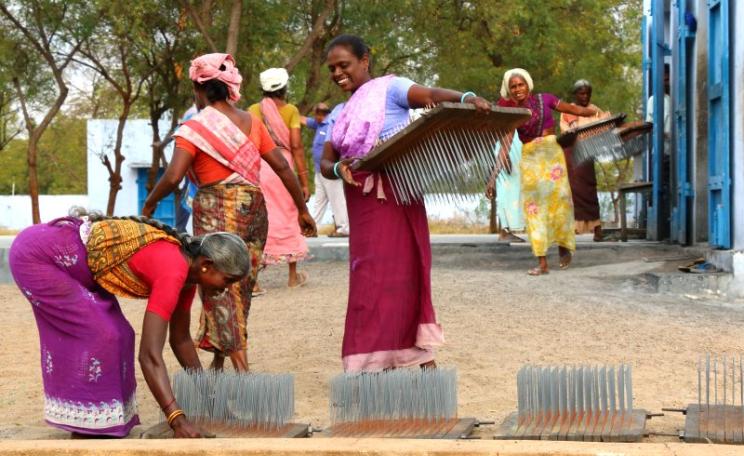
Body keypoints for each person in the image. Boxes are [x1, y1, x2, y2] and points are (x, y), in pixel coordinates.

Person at [320, 34, 492, 372]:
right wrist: (339, 168)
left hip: (399, 193)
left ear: (365, 60)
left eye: (345, 65)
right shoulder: (340, 113)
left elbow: (429, 96)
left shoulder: (391, 88)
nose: (338, 73)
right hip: (363, 201)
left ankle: (422, 358)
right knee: (369, 278)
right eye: (332, 69)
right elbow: (326, 162)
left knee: (406, 273)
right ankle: (372, 362)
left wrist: (467, 97)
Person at [143, 53, 316, 372]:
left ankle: (243, 375)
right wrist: (302, 210)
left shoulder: (194, 128)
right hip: (254, 211)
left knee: (218, 290)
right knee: (240, 287)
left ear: (198, 89)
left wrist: (150, 204)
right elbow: (281, 166)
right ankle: (219, 362)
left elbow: (173, 176)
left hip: (217, 213)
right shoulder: (254, 123)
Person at [9, 213, 251, 438]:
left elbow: (181, 340)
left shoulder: (189, 276)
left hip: (69, 262)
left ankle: (101, 425)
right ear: (206, 264)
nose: (226, 288)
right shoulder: (173, 270)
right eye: (227, 280)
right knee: (103, 335)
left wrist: (213, 402)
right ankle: (86, 429)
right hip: (38, 258)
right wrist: (177, 420)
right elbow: (149, 355)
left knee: (121, 334)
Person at [487, 68, 598, 275]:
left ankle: (564, 244)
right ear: (509, 91)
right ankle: (542, 263)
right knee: (533, 210)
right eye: (513, 86)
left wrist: (598, 114)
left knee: (561, 201)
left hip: (552, 156)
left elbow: (578, 111)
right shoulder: (514, 112)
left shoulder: (546, 99)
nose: (518, 89)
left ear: (528, 84)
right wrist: (492, 178)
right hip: (530, 160)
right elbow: (505, 145)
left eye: (520, 84)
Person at [249, 68, 312, 289]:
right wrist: (304, 181)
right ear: (285, 88)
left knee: (261, 219)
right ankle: (293, 277)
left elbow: (250, 142)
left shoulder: (253, 110)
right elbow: (296, 146)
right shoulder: (291, 111)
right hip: (282, 167)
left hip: (260, 167)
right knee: (289, 215)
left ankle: (254, 281)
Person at [559, 79, 608, 241]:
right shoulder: (569, 110)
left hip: (587, 154)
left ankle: (597, 229)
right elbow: (572, 130)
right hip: (572, 154)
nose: (585, 96)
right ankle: (572, 229)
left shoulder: (594, 110)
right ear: (575, 94)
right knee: (573, 192)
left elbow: (604, 124)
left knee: (590, 190)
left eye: (587, 93)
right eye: (581, 93)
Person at [302, 102, 349, 236]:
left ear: (320, 114)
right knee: (319, 201)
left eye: (315, 113)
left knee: (337, 199)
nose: (314, 117)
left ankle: (344, 228)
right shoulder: (319, 124)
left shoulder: (331, 124)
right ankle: (312, 227)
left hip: (330, 170)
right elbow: (304, 120)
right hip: (319, 170)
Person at [488, 132, 525, 242]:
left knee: (518, 188)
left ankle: (507, 231)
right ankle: (505, 231)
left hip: (519, 144)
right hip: (508, 142)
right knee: (505, 186)